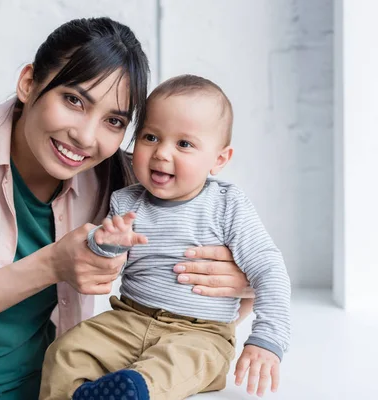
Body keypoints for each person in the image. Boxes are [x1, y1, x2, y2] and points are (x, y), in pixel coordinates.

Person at [0, 18, 253, 400]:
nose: (85, 137)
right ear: (29, 82)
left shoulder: (117, 173)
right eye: (74, 100)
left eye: (113, 121)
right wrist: (53, 264)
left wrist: (242, 279)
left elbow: (219, 221)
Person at [39, 75, 291, 400]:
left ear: (219, 160)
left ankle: (130, 392)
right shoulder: (126, 202)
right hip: (128, 319)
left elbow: (268, 269)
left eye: (184, 144)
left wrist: (267, 339)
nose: (161, 153)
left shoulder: (227, 205)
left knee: (171, 367)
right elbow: (105, 269)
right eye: (150, 137)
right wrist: (104, 245)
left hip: (200, 332)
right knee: (66, 351)